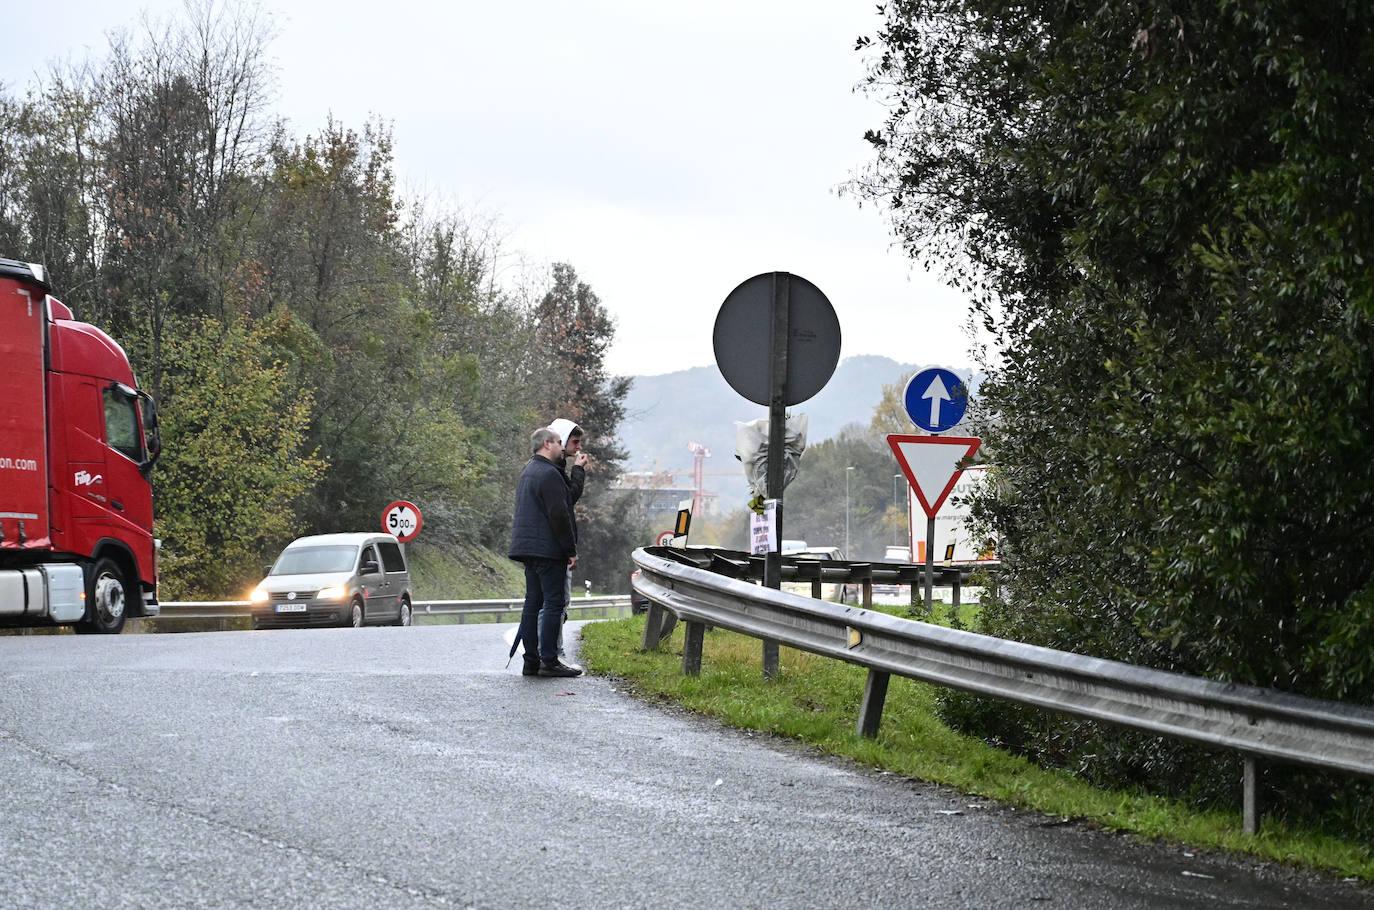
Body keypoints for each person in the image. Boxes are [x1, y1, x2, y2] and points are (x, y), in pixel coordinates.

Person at [507, 427, 582, 677]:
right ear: (547, 444)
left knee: (532, 604)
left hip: (527, 547)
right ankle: (549, 659)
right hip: (548, 549)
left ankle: (531, 660)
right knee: (554, 603)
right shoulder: (550, 474)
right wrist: (570, 549)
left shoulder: (528, 471)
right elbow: (559, 515)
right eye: (560, 442)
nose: (563, 447)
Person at [548, 418, 587, 655]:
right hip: (555, 550)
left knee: (557, 602)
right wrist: (579, 470)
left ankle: (550, 650)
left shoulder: (555, 468)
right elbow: (565, 504)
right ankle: (552, 651)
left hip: (553, 548)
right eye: (575, 441)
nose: (578, 446)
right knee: (557, 602)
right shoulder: (554, 470)